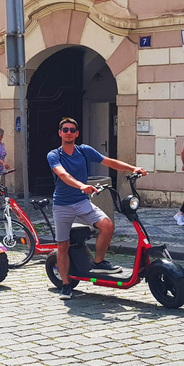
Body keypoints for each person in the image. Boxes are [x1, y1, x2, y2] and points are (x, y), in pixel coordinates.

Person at [47, 118, 147, 301]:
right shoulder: (54, 155)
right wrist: (80, 185)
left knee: (107, 225)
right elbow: (63, 174)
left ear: (77, 133)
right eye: (65, 130)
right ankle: (66, 285)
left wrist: (133, 168)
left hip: (82, 202)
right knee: (62, 245)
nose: (69, 132)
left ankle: (99, 262)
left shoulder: (84, 151)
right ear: (60, 133)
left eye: (72, 130)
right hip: (62, 205)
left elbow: (109, 162)